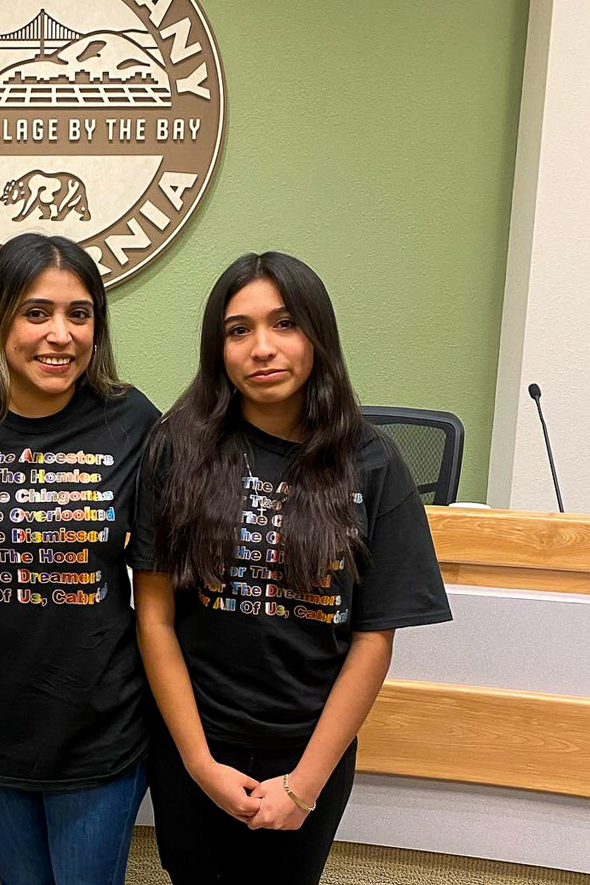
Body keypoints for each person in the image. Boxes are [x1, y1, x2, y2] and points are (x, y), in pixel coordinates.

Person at [131, 251, 452, 885]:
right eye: (238, 329)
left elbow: (373, 638)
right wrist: (198, 764)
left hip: (309, 754)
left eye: (284, 324)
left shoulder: (373, 462)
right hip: (195, 746)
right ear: (217, 347)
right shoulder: (176, 447)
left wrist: (304, 785)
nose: (262, 348)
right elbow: (156, 618)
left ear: (317, 335)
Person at [0, 234, 159, 885]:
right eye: (36, 313)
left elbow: (161, 588)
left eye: (79, 314)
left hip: (98, 730)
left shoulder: (132, 420)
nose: (60, 335)